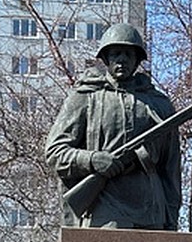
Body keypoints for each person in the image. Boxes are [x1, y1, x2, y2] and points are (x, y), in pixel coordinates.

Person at [45, 22, 182, 230]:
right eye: (116, 53)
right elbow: (55, 152)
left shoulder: (158, 104)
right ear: (106, 59)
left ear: (137, 60)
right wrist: (93, 160)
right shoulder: (86, 97)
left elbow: (171, 168)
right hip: (104, 206)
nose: (122, 60)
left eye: (128, 54)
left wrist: (171, 218)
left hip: (152, 210)